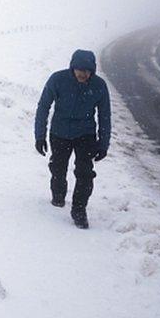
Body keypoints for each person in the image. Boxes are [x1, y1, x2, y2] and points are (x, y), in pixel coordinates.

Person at [34, 49, 111, 229]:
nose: (83, 74)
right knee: (58, 168)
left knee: (85, 174)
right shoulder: (58, 80)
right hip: (59, 133)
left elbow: (105, 116)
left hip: (85, 134)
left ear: (92, 71)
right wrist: (40, 135)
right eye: (79, 70)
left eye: (87, 71)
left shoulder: (99, 86)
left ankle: (79, 210)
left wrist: (103, 143)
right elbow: (43, 106)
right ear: (72, 68)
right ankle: (58, 195)